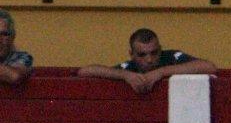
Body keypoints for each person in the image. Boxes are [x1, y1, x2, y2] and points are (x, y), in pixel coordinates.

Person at [77, 28, 215, 94]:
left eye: (154, 53)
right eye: (142, 55)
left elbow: (209, 67)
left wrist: (161, 72)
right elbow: (85, 71)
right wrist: (125, 75)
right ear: (131, 55)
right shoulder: (129, 68)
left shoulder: (171, 57)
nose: (149, 59)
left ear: (160, 49)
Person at [0, 10, 32, 86]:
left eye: (4, 34)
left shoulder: (23, 57)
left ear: (12, 37)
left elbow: (14, 76)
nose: (0, 40)